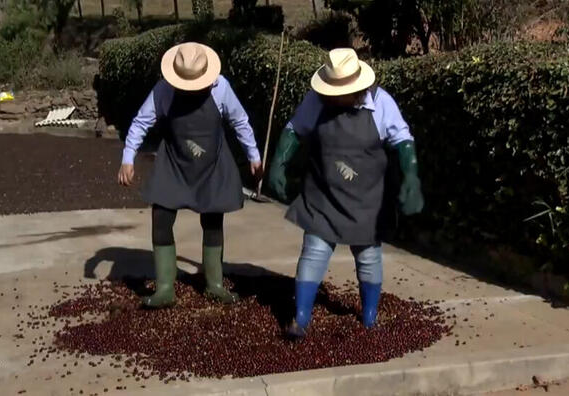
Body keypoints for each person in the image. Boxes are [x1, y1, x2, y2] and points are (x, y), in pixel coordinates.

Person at [267, 48, 424, 337]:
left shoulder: (381, 103)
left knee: (368, 256)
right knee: (313, 251)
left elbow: (403, 139)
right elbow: (294, 129)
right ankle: (300, 318)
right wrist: (279, 162)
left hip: (367, 199)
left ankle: (369, 316)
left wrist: (411, 176)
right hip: (322, 194)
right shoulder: (316, 102)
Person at [118, 42, 263, 308]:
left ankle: (214, 285)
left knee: (212, 220)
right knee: (161, 217)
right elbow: (142, 122)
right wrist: (128, 157)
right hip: (174, 162)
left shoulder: (221, 88)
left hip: (212, 165)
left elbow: (240, 121)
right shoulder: (164, 90)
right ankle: (164, 288)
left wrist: (253, 155)